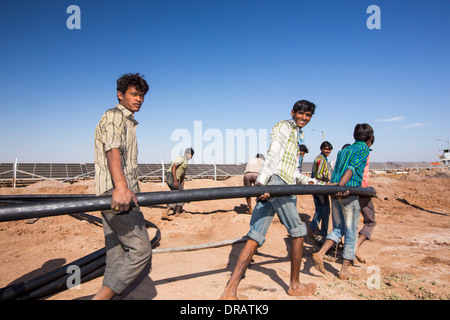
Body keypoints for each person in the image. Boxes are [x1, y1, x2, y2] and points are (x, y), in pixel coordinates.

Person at [220, 100, 327, 300]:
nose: (304, 118)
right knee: (298, 232)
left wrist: (314, 182)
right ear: (293, 112)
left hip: (276, 182)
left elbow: (292, 171)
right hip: (276, 184)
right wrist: (262, 184)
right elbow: (273, 156)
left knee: (255, 236)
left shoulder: (296, 134)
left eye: (308, 115)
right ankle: (294, 286)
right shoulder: (284, 127)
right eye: (301, 114)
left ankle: (229, 290)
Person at [93, 73, 152, 300]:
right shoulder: (115, 116)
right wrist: (121, 187)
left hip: (116, 191)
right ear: (121, 95)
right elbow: (113, 150)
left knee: (117, 254)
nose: (139, 99)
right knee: (140, 250)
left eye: (142, 95)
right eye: (134, 94)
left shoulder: (128, 121)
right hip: (116, 193)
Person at [312, 123, 374, 280]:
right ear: (369, 137)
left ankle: (320, 254)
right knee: (351, 231)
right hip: (349, 192)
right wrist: (342, 186)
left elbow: (337, 172)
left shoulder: (343, 150)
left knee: (339, 227)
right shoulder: (363, 149)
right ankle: (344, 271)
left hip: (335, 194)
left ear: (354, 136)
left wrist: (334, 188)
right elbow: (351, 169)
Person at [355, 135, 376, 263]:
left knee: (348, 222)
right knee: (370, 222)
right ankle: (354, 247)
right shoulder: (365, 152)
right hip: (362, 189)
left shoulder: (348, 151)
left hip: (350, 189)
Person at [308, 141, 333, 243]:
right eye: (326, 149)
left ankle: (312, 228)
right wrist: (327, 183)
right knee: (325, 210)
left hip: (315, 186)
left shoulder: (318, 158)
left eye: (329, 149)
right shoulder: (322, 159)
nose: (328, 151)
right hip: (321, 187)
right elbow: (319, 175)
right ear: (321, 149)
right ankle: (323, 234)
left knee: (319, 209)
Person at [161, 148, 194, 221]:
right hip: (171, 177)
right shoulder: (181, 158)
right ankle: (171, 212)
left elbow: (182, 177)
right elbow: (173, 167)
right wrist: (175, 181)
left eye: (191, 155)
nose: (190, 156)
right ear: (185, 153)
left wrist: (182, 189)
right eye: (189, 154)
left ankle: (173, 212)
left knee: (179, 194)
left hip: (175, 179)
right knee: (180, 196)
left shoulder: (186, 163)